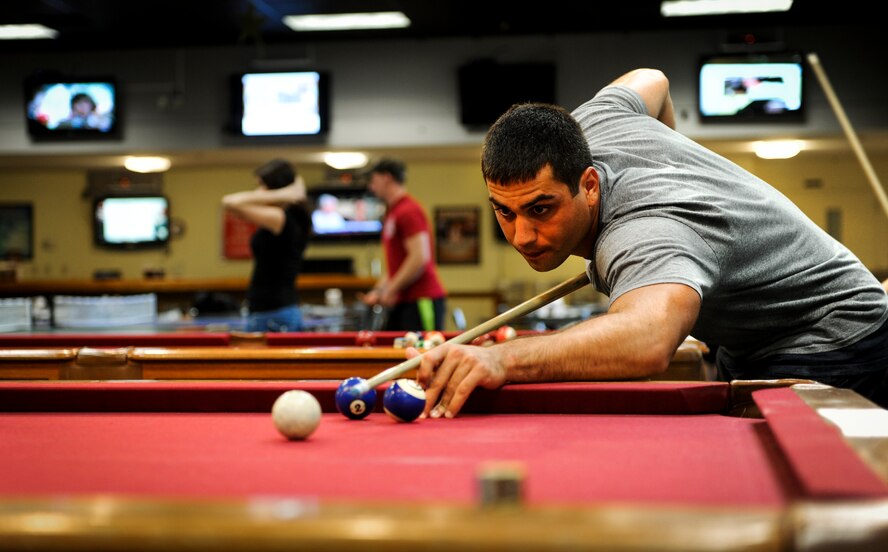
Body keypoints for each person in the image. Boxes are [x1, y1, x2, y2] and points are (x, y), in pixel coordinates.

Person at [415, 68, 888, 417]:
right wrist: (674, 157)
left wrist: (500, 358)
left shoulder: (646, 233)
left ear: (590, 185)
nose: (522, 236)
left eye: (541, 209)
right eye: (504, 211)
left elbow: (647, 341)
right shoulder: (594, 121)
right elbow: (654, 79)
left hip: (831, 342)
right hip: (749, 341)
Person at [222, 159, 312, 332]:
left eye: (262, 186)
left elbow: (229, 202)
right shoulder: (284, 216)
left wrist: (284, 195)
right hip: (274, 310)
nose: (258, 192)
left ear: (275, 188)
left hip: (274, 313)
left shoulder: (281, 218)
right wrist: (286, 193)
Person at [361, 158, 447, 331]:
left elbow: (420, 257)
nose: (371, 187)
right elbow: (397, 266)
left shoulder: (408, 210)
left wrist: (390, 290)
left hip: (422, 300)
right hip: (405, 301)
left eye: (373, 180)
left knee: (424, 356)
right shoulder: (393, 212)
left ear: (386, 178)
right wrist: (379, 290)